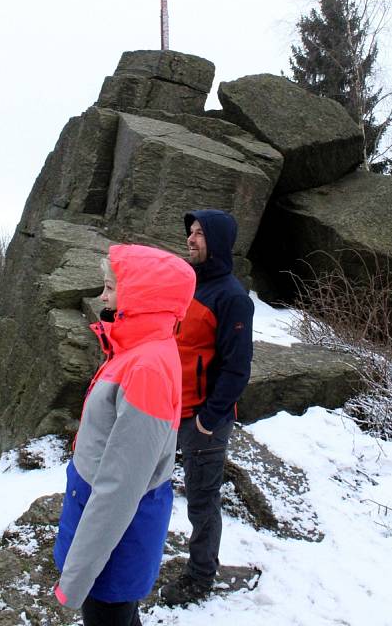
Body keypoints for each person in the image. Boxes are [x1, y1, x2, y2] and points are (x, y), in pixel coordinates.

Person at [53, 243, 196, 625]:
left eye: (110, 287)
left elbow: (120, 488)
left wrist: (78, 574)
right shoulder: (135, 351)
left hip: (113, 543)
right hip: (104, 530)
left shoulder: (146, 368)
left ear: (143, 296)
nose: (102, 296)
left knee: (108, 615)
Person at [160, 209, 254, 607]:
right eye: (190, 232)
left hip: (203, 419)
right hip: (168, 408)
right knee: (154, 487)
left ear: (216, 241)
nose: (190, 239)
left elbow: (237, 369)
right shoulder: (189, 286)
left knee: (201, 499)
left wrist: (207, 419)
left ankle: (200, 578)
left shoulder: (232, 297)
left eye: (199, 234)